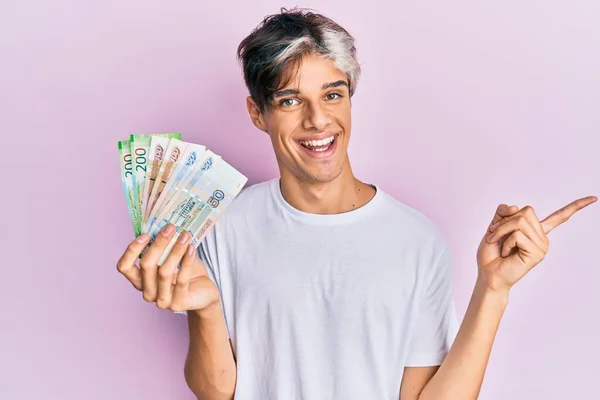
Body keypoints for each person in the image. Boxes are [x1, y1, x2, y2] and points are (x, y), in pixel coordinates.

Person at [116, 7, 597, 400]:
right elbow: (217, 393)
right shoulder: (221, 227)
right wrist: (207, 310)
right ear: (257, 114)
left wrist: (493, 289)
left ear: (350, 98)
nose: (317, 120)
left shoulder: (416, 241)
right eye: (289, 100)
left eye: (333, 94)